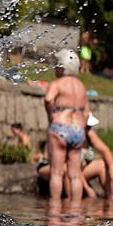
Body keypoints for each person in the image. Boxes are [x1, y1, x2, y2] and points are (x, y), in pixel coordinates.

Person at [44, 48, 90, 202]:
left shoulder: (57, 83)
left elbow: (48, 99)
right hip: (78, 130)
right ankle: (76, 212)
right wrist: (81, 128)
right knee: (75, 174)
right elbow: (86, 113)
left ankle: (55, 212)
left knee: (56, 172)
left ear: (62, 67)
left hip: (60, 127)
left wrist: (52, 116)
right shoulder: (82, 87)